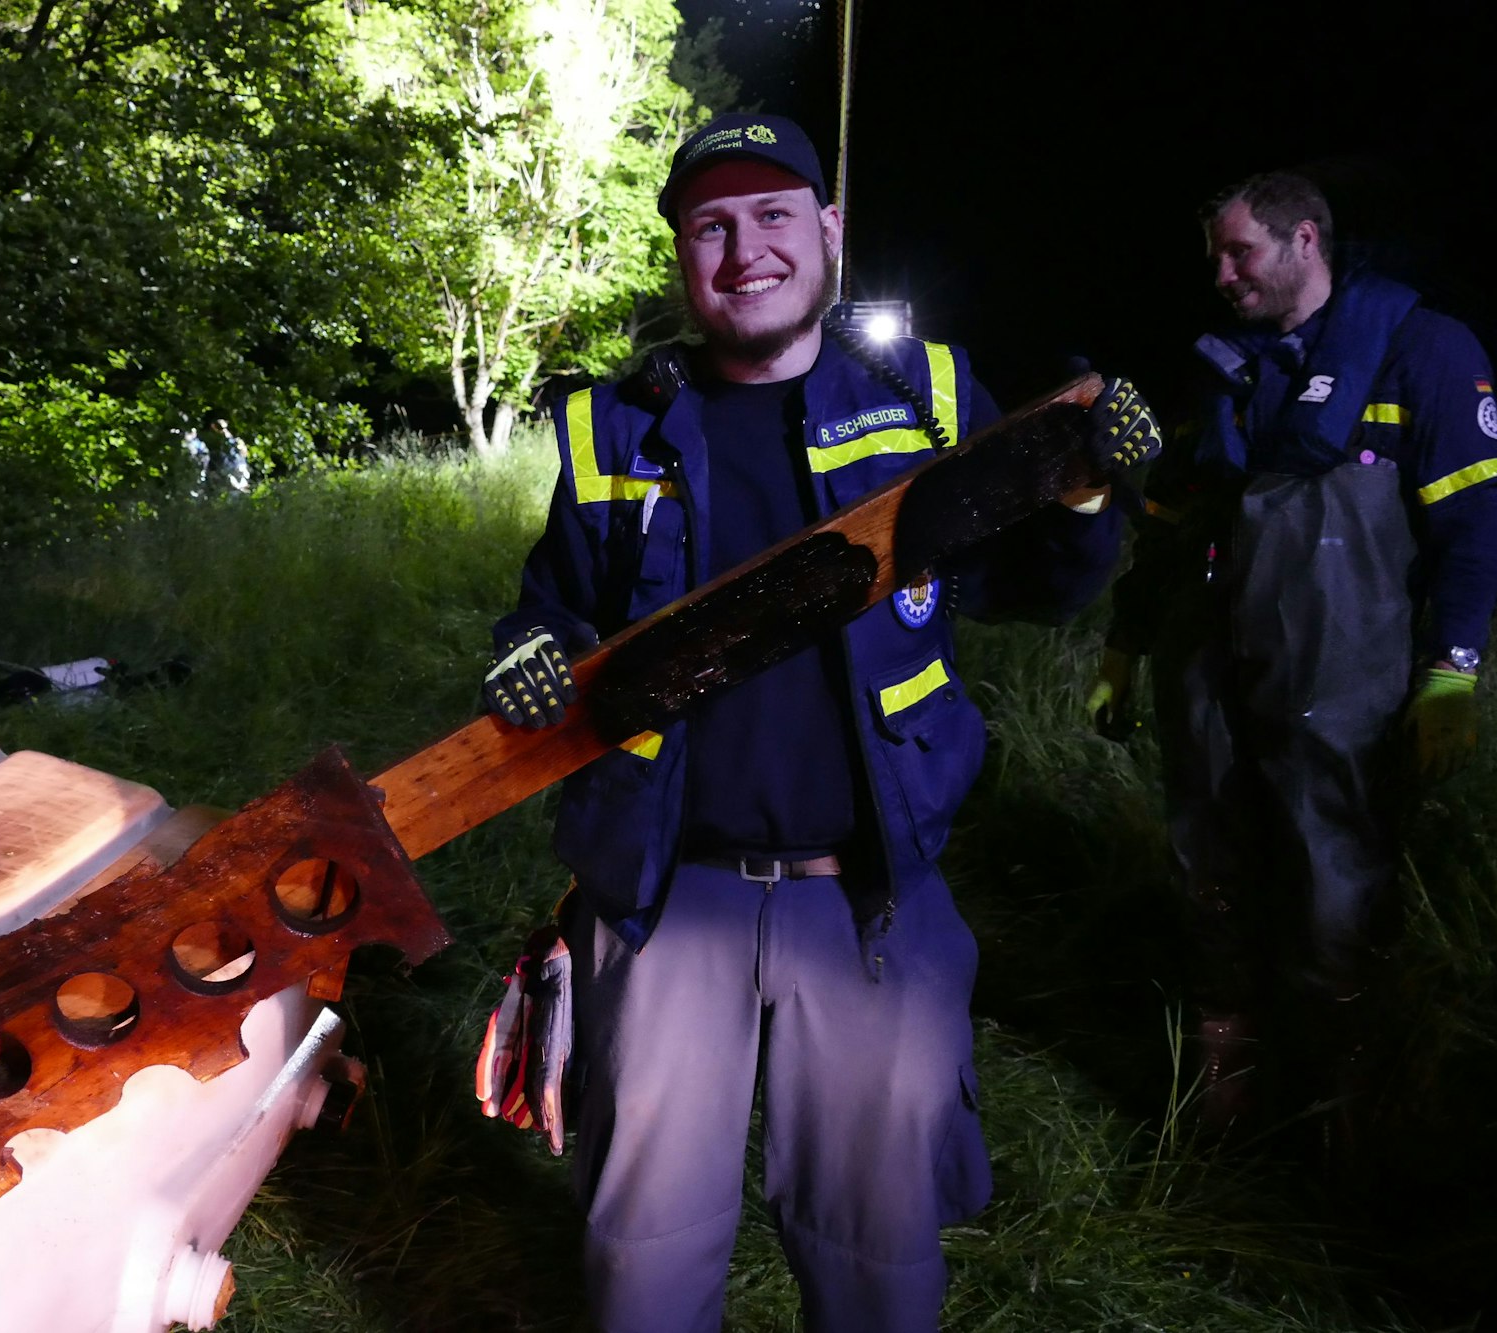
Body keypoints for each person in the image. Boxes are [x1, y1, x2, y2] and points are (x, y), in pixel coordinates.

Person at [480, 113, 1157, 1332]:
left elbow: (1037, 585)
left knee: (875, 1258)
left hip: (870, 904)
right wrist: (527, 654)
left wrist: (1088, 488)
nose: (746, 250)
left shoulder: (932, 396)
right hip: (662, 899)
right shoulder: (612, 427)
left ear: (829, 231)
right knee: (639, 1261)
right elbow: (552, 613)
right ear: (683, 256)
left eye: (775, 214)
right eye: (711, 225)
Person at [1086, 171, 1497, 1129]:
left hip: (1346, 678)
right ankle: (1225, 1080)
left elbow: (1483, 515)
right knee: (1207, 857)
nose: (1223, 275)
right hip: (1206, 669)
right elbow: (1170, 520)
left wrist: (1452, 667)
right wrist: (1125, 643)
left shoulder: (1423, 350)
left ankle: (1343, 1103)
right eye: (1216, 257)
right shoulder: (1222, 367)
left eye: (1240, 252)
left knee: (1336, 874)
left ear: (1307, 242)